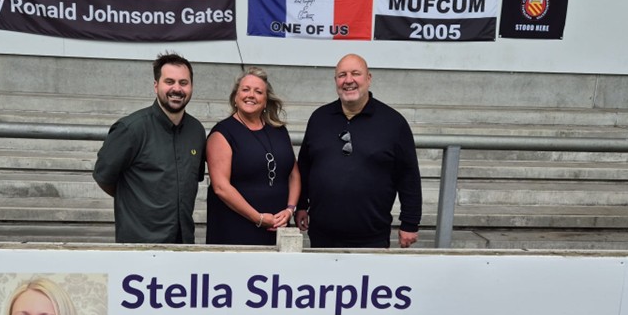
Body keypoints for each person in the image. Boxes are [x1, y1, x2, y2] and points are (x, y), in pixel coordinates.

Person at [295, 54, 422, 248]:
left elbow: (408, 176)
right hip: (321, 236)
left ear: (368, 78)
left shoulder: (393, 123)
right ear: (335, 81)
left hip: (372, 238)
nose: (348, 80)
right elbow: (305, 166)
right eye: (342, 75)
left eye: (356, 74)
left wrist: (410, 223)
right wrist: (301, 205)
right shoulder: (319, 118)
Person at [93, 52, 206, 243]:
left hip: (184, 243)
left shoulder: (197, 131)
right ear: (156, 85)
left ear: (191, 87)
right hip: (140, 242)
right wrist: (138, 204)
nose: (177, 89)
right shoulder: (130, 129)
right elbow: (104, 178)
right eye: (169, 82)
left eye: (183, 83)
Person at [206, 67, 300, 245]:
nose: (251, 95)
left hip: (278, 228)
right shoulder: (222, 133)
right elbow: (221, 187)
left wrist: (290, 210)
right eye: (245, 89)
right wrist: (259, 218)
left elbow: (293, 174)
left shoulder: (279, 131)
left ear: (265, 101)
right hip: (235, 230)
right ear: (235, 97)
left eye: (258, 92)